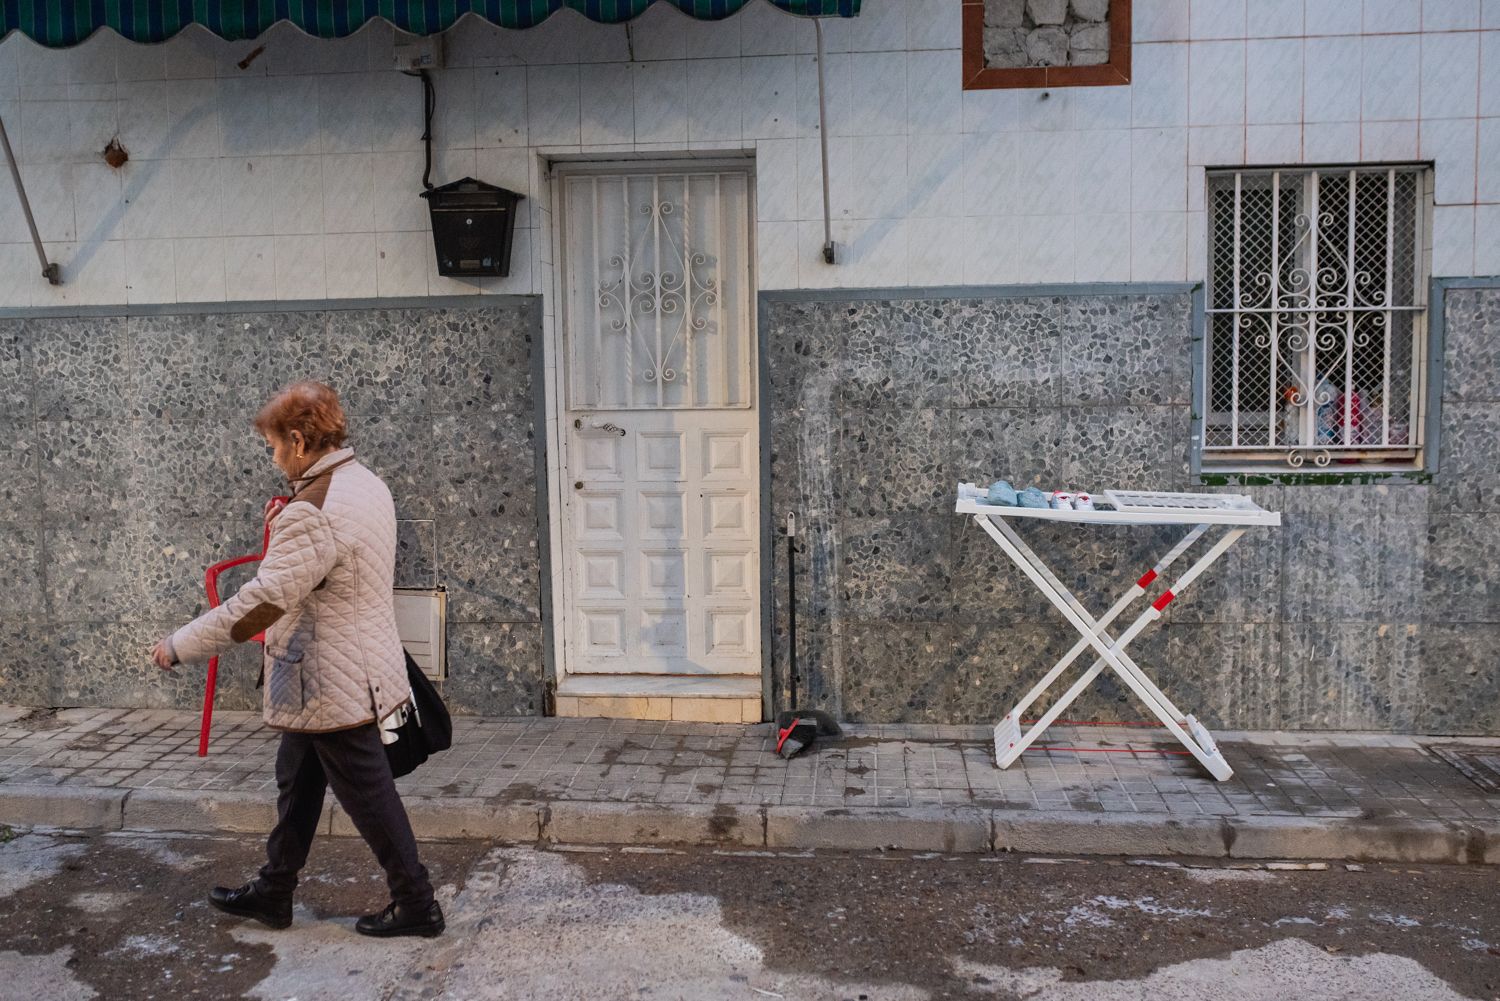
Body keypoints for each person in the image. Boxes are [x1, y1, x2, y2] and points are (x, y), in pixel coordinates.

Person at [150, 381, 444, 938]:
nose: (273, 457)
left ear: (300, 441)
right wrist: (279, 526)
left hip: (329, 681)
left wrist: (179, 643)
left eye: (273, 446)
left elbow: (262, 603)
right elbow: (328, 569)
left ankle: (418, 904)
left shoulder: (312, 510)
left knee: (369, 798)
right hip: (352, 664)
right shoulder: (362, 482)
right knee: (297, 780)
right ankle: (275, 890)